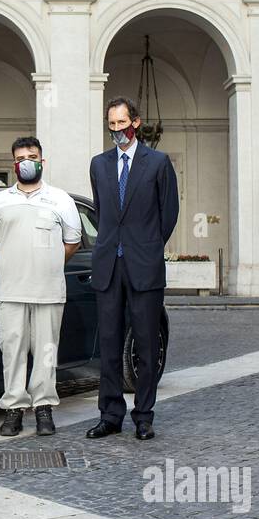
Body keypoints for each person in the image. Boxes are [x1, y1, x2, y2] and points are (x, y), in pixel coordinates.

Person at [86, 97, 178, 442]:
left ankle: (144, 416)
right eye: (111, 125)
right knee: (108, 345)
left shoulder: (157, 163)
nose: (117, 131)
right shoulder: (99, 165)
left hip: (144, 267)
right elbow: (102, 212)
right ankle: (110, 415)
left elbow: (168, 214)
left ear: (136, 123)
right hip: (109, 266)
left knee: (145, 345)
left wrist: (148, 247)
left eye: (122, 124)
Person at [0, 137, 82, 437]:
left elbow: (73, 240)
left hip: (49, 291)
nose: (27, 161)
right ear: (14, 164)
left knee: (46, 351)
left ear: (42, 161)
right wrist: (14, 261)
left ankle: (43, 407)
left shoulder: (60, 199)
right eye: (21, 157)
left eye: (33, 156)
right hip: (11, 290)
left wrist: (48, 261)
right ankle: (14, 408)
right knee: (12, 350)